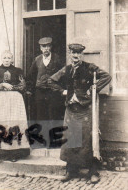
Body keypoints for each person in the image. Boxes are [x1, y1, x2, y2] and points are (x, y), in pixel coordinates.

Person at [48, 44, 112, 183]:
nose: (75, 56)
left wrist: (93, 89)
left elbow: (106, 77)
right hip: (71, 109)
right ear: (70, 54)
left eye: (78, 54)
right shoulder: (67, 69)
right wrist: (62, 91)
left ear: (82, 55)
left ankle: (93, 172)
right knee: (71, 138)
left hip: (86, 110)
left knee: (89, 140)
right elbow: (51, 81)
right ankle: (71, 170)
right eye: (73, 54)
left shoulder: (90, 68)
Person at [0, 50, 30, 160]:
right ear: (1, 59)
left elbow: (23, 86)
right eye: (4, 58)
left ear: (12, 59)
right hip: (0, 100)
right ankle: (1, 153)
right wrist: (2, 84)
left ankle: (14, 153)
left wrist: (11, 87)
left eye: (9, 58)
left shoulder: (18, 71)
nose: (7, 60)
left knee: (14, 123)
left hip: (15, 99)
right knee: (1, 123)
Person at [27, 37, 64, 122]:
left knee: (54, 115)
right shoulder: (37, 59)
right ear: (40, 48)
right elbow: (31, 75)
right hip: (40, 92)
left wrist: (60, 88)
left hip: (53, 92)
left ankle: (53, 135)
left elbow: (63, 74)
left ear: (50, 47)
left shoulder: (57, 58)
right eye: (44, 46)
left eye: (48, 46)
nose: (46, 48)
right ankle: (42, 135)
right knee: (41, 116)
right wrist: (30, 89)